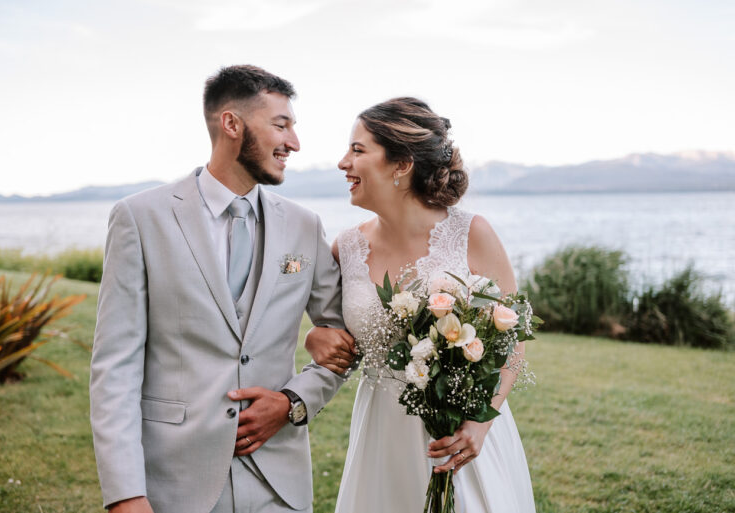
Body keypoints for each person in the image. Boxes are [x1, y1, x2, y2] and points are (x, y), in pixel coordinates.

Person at [90, 65, 350, 513]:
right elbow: (115, 366)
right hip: (175, 482)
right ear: (231, 124)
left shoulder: (304, 226)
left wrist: (293, 401)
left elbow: (347, 333)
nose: (294, 143)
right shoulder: (140, 217)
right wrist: (126, 494)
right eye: (281, 125)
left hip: (279, 485)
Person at [305, 97, 536, 512]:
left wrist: (482, 423)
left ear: (401, 164)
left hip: (463, 438)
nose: (343, 162)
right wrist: (316, 338)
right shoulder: (347, 248)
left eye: (358, 150)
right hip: (382, 436)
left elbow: (513, 337)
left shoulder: (472, 232)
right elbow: (332, 331)